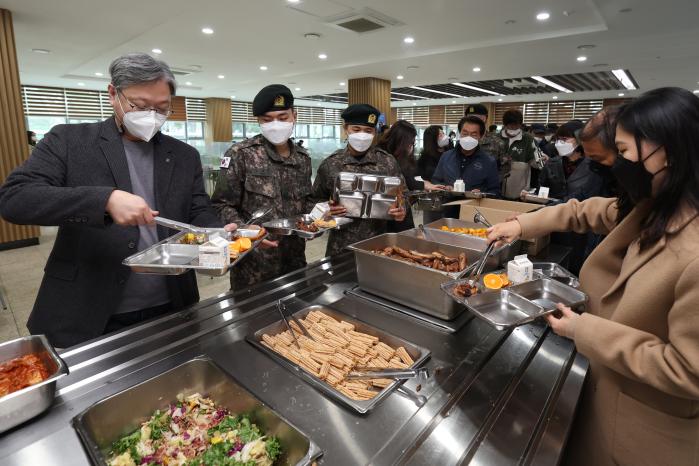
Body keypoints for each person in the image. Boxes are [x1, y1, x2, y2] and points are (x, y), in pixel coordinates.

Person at [487, 87, 699, 466]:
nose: (618, 164)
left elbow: (688, 371)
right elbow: (584, 211)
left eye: (626, 152)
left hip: (643, 431)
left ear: (668, 151)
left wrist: (583, 329)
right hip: (605, 390)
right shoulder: (657, 206)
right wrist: (521, 224)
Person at [0, 53, 231, 348]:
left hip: (171, 302)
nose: (151, 116)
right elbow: (15, 199)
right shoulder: (70, 141)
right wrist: (104, 199)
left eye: (162, 108)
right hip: (87, 307)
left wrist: (216, 233)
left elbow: (198, 209)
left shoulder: (183, 155)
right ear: (113, 94)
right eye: (139, 105)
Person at [212, 84, 313, 290]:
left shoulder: (303, 158)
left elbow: (307, 203)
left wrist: (320, 214)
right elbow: (220, 205)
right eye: (267, 120)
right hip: (254, 264)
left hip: (295, 259)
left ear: (295, 115)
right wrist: (244, 229)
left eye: (283, 117)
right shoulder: (241, 154)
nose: (275, 124)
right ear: (258, 121)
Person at [313, 104, 406, 256]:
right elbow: (314, 200)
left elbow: (404, 195)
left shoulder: (387, 162)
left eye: (368, 130)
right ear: (346, 129)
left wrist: (402, 209)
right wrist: (326, 210)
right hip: (340, 247)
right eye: (356, 129)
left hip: (378, 246)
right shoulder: (331, 164)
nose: (362, 135)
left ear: (375, 132)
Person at [538, 120, 606, 274]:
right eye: (558, 139)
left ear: (579, 139)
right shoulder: (552, 163)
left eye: (565, 139)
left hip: (581, 226)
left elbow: (590, 196)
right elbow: (542, 190)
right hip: (555, 221)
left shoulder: (594, 166)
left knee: (577, 264)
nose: (560, 143)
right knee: (554, 261)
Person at [377, 120, 444, 232]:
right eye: (410, 143)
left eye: (413, 144)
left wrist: (424, 184)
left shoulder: (402, 157)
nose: (411, 147)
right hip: (386, 214)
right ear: (401, 142)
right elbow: (403, 181)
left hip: (403, 212)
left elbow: (408, 178)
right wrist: (423, 185)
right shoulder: (383, 158)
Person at [431, 116, 500, 194]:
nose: (468, 138)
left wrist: (482, 194)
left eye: (473, 134)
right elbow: (435, 181)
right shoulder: (446, 156)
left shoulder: (489, 161)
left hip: (473, 204)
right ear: (460, 133)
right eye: (465, 133)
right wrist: (445, 187)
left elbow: (495, 191)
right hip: (447, 203)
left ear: (480, 136)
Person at [498, 109, 545, 199]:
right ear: (505, 124)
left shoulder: (528, 139)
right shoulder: (497, 138)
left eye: (516, 125)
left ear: (520, 124)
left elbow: (539, 164)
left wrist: (541, 160)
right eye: (510, 125)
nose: (513, 128)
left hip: (518, 188)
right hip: (497, 185)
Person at [465, 104, 508, 182]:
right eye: (470, 118)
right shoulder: (462, 141)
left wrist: (493, 182)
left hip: (488, 188)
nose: (474, 121)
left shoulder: (497, 142)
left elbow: (505, 168)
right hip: (464, 185)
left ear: (485, 119)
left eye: (478, 118)